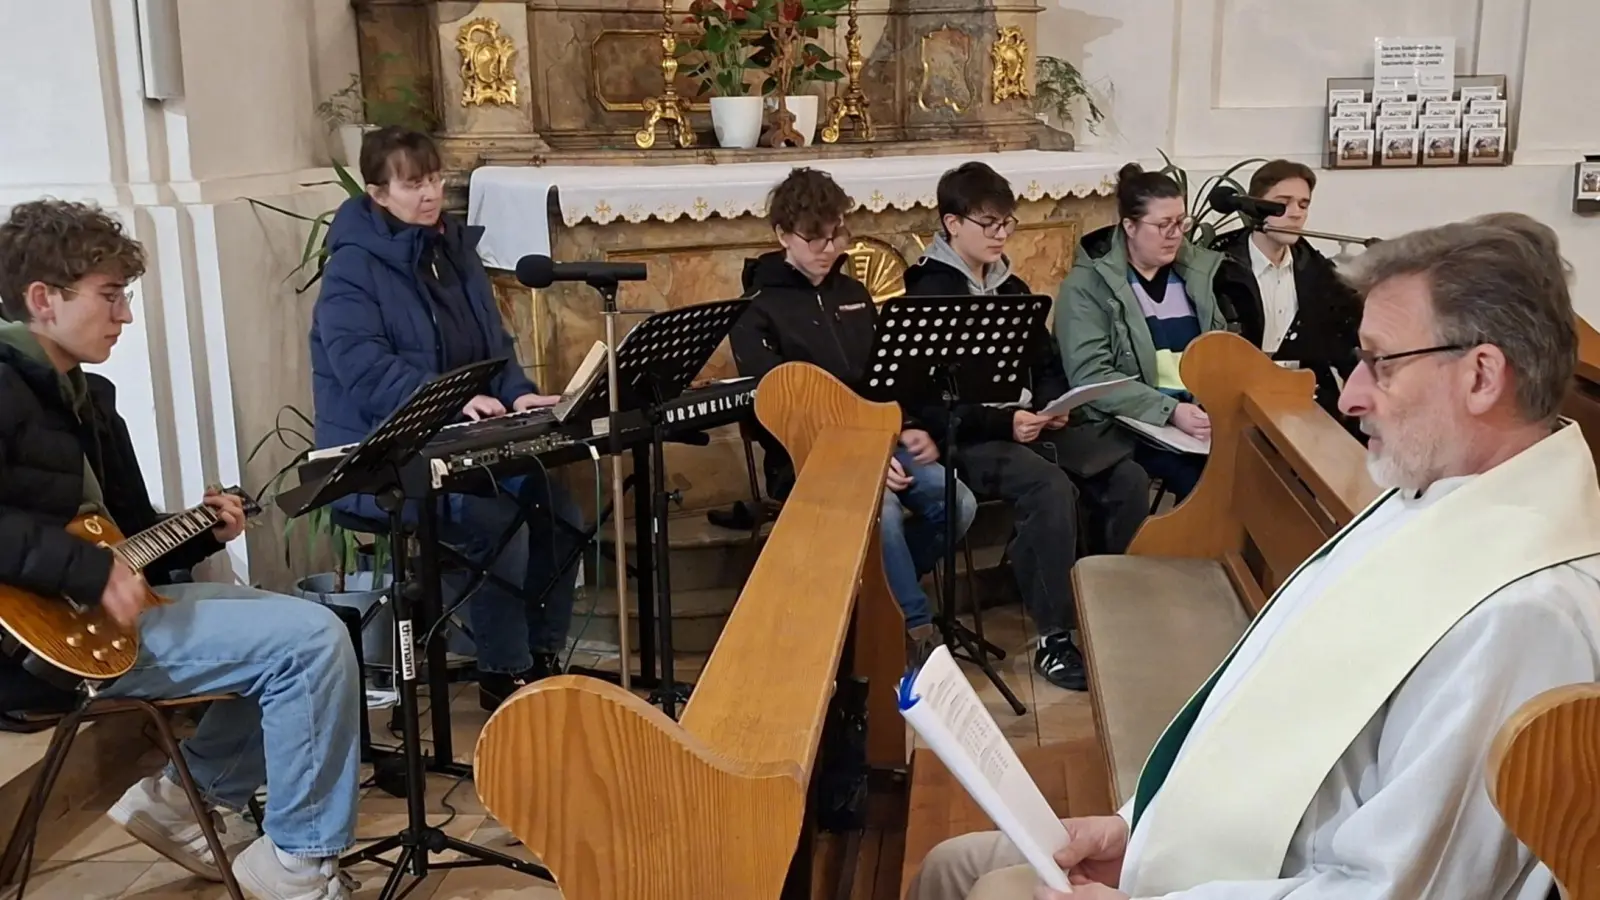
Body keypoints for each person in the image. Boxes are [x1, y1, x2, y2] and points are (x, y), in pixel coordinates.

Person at [908, 212, 1600, 900]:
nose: (1352, 396)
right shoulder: (1434, 496)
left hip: (1273, 879)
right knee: (950, 865)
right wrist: (1132, 828)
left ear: (1482, 377)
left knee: (993, 887)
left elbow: (1398, 890)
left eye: (1379, 364)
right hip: (1230, 843)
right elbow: (1272, 701)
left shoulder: (1524, 615)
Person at [0, 200, 361, 899]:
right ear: (43, 299)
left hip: (99, 615)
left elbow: (132, 544)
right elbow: (86, 557)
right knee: (308, 641)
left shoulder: (90, 399)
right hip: (40, 646)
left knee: (309, 630)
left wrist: (199, 529)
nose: (125, 316)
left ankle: (184, 796)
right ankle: (296, 863)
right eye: (109, 296)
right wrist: (88, 569)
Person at [309, 126, 581, 711]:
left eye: (433, 179)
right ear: (379, 194)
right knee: (495, 521)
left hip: (460, 442)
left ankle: (540, 657)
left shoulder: (453, 250)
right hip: (382, 458)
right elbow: (362, 368)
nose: (430, 194)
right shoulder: (352, 268)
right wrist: (447, 402)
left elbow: (493, 346)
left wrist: (517, 393)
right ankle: (502, 676)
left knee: (564, 513)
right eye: (413, 184)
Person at [903, 162, 1150, 691]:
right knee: (1048, 487)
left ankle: (1104, 606)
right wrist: (1003, 419)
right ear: (952, 223)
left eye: (1006, 223)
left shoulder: (1012, 288)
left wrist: (1051, 403)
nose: (1000, 234)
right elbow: (924, 402)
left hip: (1028, 424)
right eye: (987, 223)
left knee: (1126, 478)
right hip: (965, 435)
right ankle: (1055, 637)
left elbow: (1046, 362)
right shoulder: (929, 295)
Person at [728, 166, 977, 649]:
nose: (829, 249)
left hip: (879, 442)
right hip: (811, 457)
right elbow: (778, 411)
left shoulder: (853, 294)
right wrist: (862, 459)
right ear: (782, 234)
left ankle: (872, 595)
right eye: (813, 238)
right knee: (877, 511)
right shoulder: (757, 307)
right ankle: (914, 630)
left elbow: (882, 380)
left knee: (958, 502)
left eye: (837, 234)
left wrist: (905, 427)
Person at [1055, 163, 1259, 502]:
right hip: (1129, 424)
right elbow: (1091, 376)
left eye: (1181, 222)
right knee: (1212, 485)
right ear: (1130, 226)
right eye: (1163, 224)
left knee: (1271, 468)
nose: (1176, 234)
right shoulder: (1087, 286)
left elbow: (1220, 349)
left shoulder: (1197, 272)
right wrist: (1170, 410)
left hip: (1200, 415)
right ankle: (1199, 552)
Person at [1211, 159, 1363, 437]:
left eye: (1303, 205)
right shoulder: (1220, 267)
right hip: (1241, 399)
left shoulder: (1319, 271)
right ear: (1255, 206)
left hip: (1306, 398)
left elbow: (1346, 344)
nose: (1296, 214)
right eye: (1283, 203)